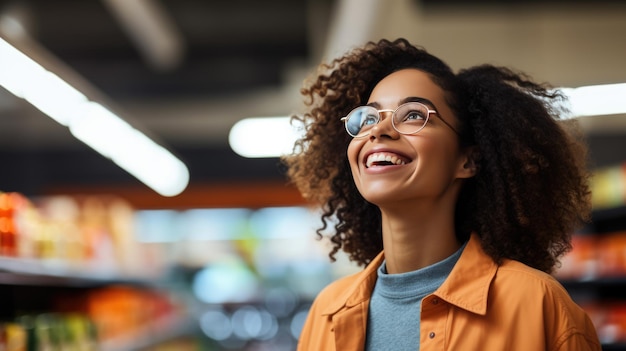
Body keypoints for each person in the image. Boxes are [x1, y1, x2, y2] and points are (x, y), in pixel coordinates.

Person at [282, 38, 602, 350]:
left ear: (467, 160)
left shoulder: (540, 306)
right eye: (367, 117)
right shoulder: (327, 312)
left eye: (413, 115)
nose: (378, 130)